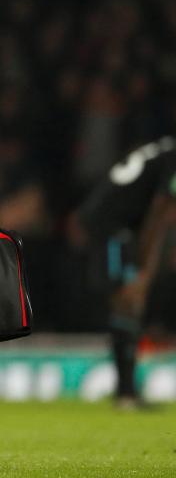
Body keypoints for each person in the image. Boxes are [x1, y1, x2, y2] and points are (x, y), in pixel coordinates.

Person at [70, 135, 176, 408]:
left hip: (109, 221)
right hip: (114, 227)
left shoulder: (163, 148)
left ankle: (126, 391)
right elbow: (161, 211)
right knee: (128, 299)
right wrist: (146, 268)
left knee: (127, 303)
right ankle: (126, 394)